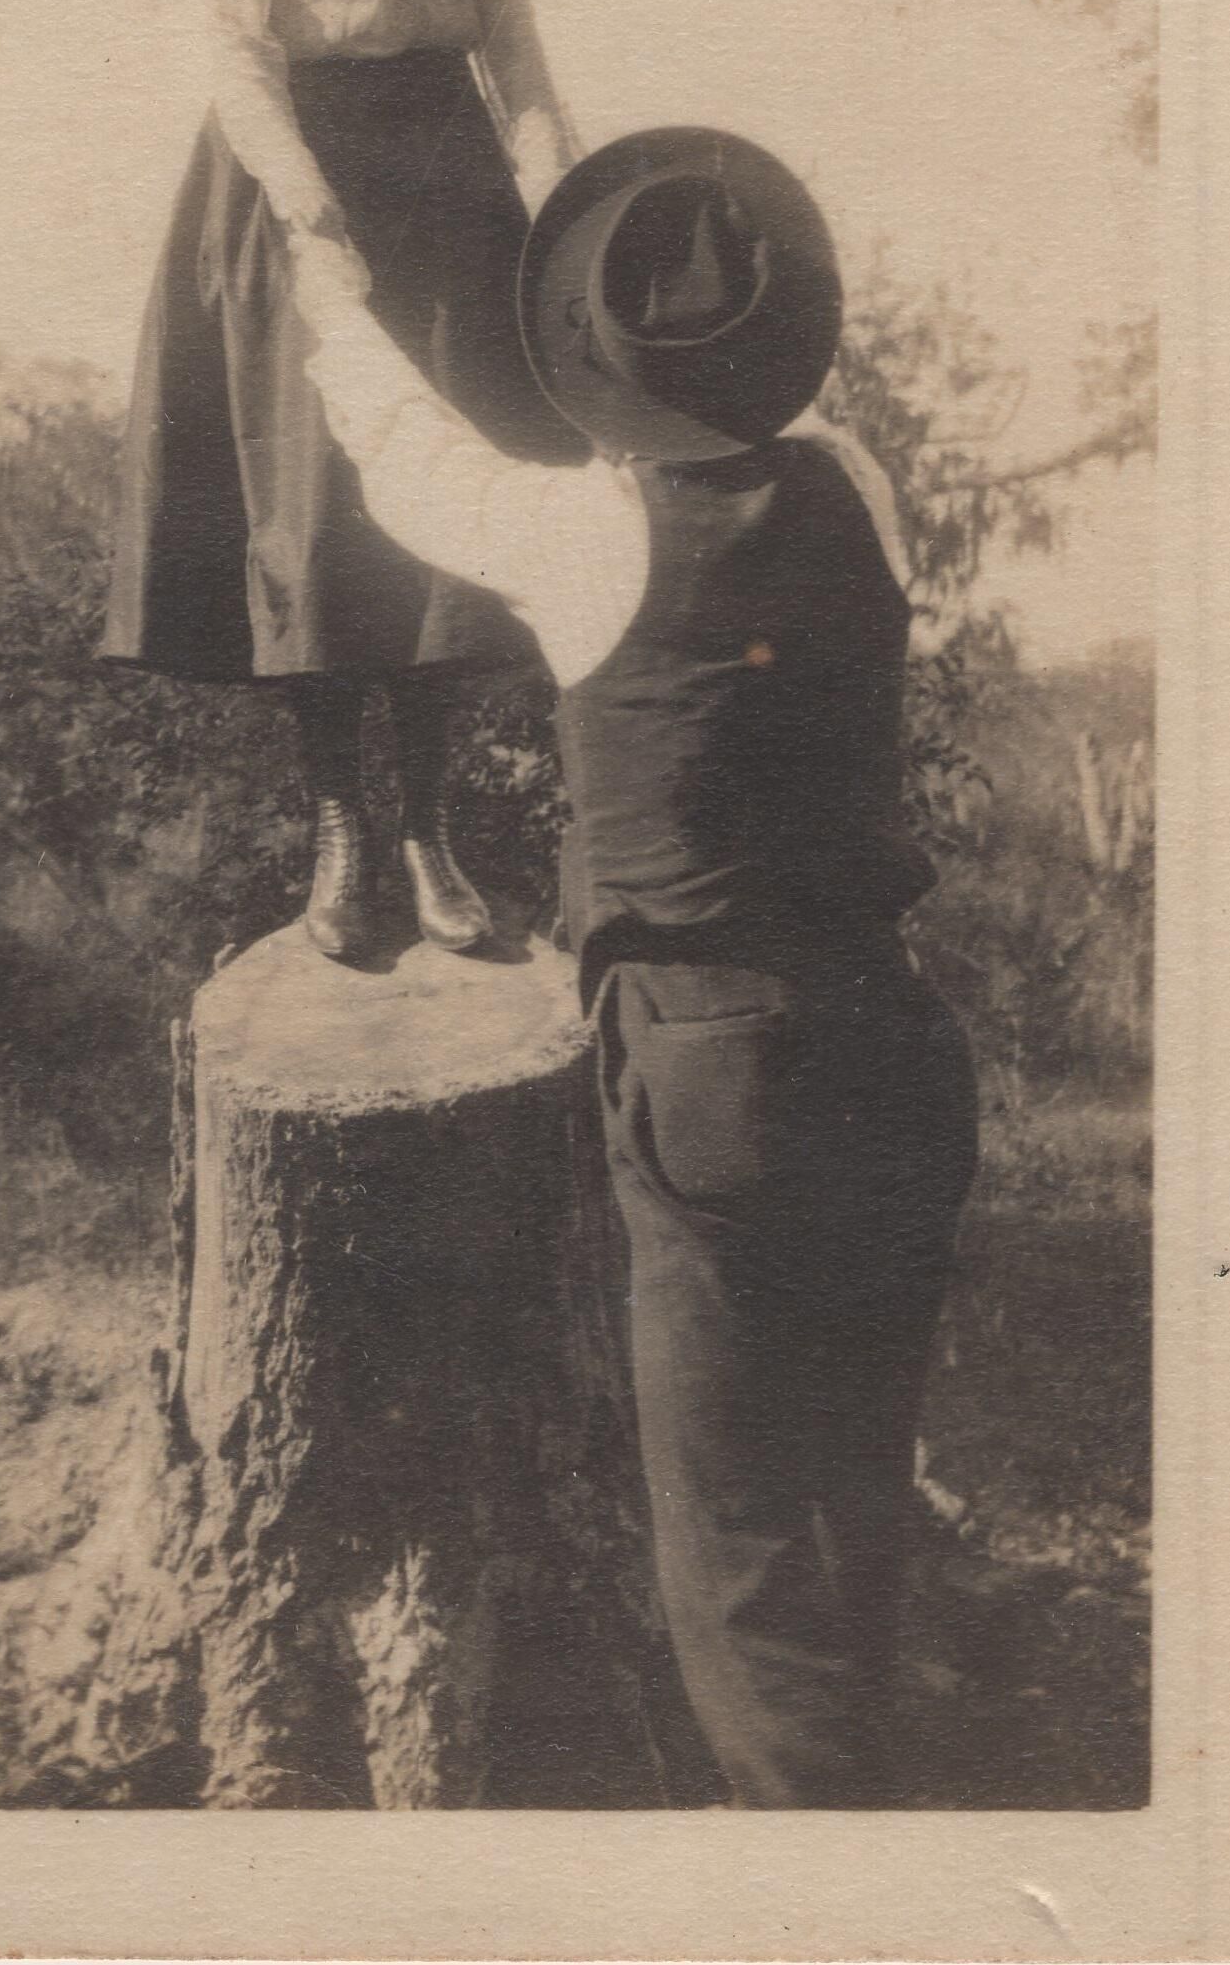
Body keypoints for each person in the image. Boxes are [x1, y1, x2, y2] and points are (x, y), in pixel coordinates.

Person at [283, 128, 979, 1809]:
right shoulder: (858, 483)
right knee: (852, 1488)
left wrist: (325, 293)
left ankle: (811, 1870)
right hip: (892, 1036)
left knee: (736, 1544)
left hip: (711, 1056)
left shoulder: (587, 535)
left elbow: (404, 455)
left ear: (600, 365)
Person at [101, 0, 584, 963]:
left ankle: (428, 828)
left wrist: (564, 204)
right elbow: (238, 55)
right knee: (311, 515)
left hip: (447, 181)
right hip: (288, 187)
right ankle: (339, 829)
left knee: (446, 506)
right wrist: (312, 212)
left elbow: (514, 47)